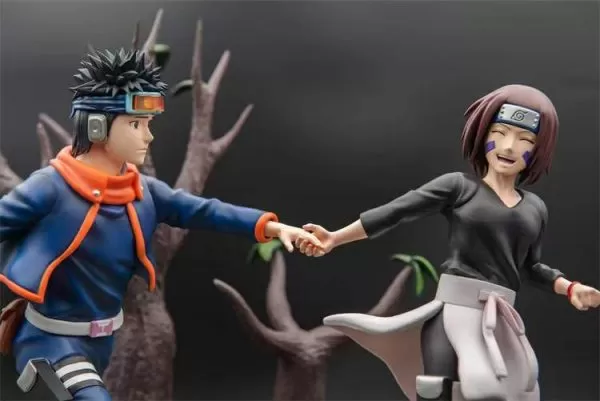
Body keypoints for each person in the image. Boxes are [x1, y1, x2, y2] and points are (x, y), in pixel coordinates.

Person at [0, 47, 323, 401]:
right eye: (135, 125)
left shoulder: (144, 192)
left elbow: (206, 211)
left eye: (148, 125)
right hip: (54, 341)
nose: (147, 136)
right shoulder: (51, 187)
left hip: (105, 340)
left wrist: (273, 227)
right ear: (96, 126)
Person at [294, 84, 600, 401]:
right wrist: (335, 237)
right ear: (483, 135)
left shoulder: (535, 208)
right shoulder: (459, 187)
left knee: (516, 389)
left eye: (525, 140)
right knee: (437, 388)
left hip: (502, 323)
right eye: (500, 133)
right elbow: (395, 212)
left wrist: (570, 288)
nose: (509, 147)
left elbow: (529, 266)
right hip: (453, 315)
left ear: (538, 150)